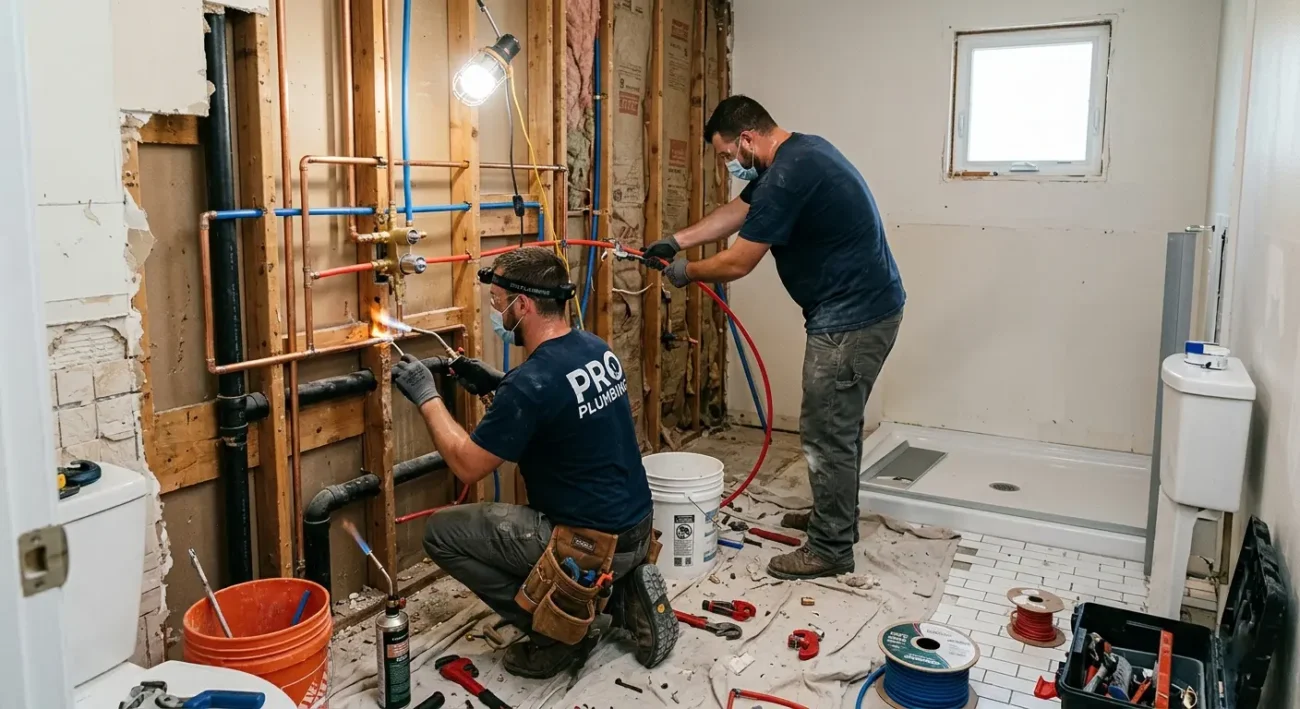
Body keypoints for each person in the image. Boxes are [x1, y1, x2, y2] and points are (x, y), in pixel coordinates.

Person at [645, 95, 905, 581]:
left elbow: (738, 262)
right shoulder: (798, 154)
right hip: (862, 309)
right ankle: (836, 521)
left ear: (747, 139)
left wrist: (685, 272)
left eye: (726, 155)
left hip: (852, 320)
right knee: (837, 427)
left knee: (827, 432)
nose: (728, 164)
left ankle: (829, 548)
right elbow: (739, 211)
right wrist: (677, 240)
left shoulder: (788, 176)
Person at [390, 248, 678, 679]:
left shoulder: (531, 385)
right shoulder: (593, 347)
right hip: (635, 530)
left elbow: (467, 466)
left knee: (441, 534)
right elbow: (558, 403)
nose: (495, 311)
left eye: (496, 302)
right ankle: (621, 594)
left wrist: (426, 395)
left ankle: (561, 631)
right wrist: (498, 384)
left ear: (521, 304)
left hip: (588, 546)